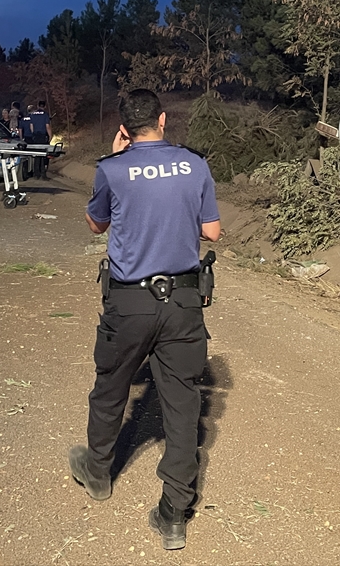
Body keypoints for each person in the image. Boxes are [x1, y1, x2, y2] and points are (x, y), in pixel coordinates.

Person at [69, 89, 221, 551]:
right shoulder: (194, 165)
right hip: (183, 305)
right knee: (182, 405)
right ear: (161, 119)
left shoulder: (111, 169)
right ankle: (174, 513)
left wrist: (119, 161)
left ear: (124, 129)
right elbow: (211, 231)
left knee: (112, 386)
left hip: (129, 304)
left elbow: (96, 225)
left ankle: (98, 473)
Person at [20, 102, 52, 177]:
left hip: (35, 136)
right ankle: (43, 173)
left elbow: (31, 126)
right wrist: (50, 136)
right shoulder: (45, 114)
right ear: (45, 106)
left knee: (37, 154)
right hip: (42, 136)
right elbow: (47, 126)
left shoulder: (33, 115)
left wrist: (33, 134)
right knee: (43, 154)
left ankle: (36, 173)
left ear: (38, 106)